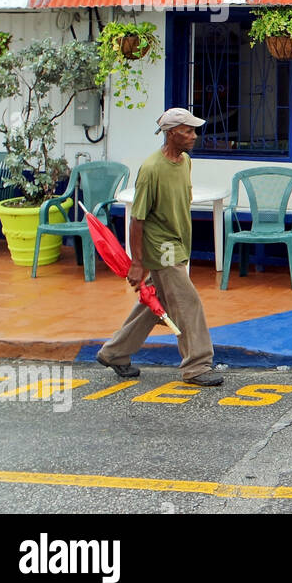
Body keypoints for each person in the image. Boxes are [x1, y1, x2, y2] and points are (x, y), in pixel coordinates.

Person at [96, 108, 223, 387]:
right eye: (187, 131)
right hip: (162, 248)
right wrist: (138, 263)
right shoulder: (151, 169)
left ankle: (115, 353)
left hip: (177, 242)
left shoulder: (185, 162)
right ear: (170, 133)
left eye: (193, 130)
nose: (193, 136)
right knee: (187, 304)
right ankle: (197, 365)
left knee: (156, 303)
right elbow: (137, 220)